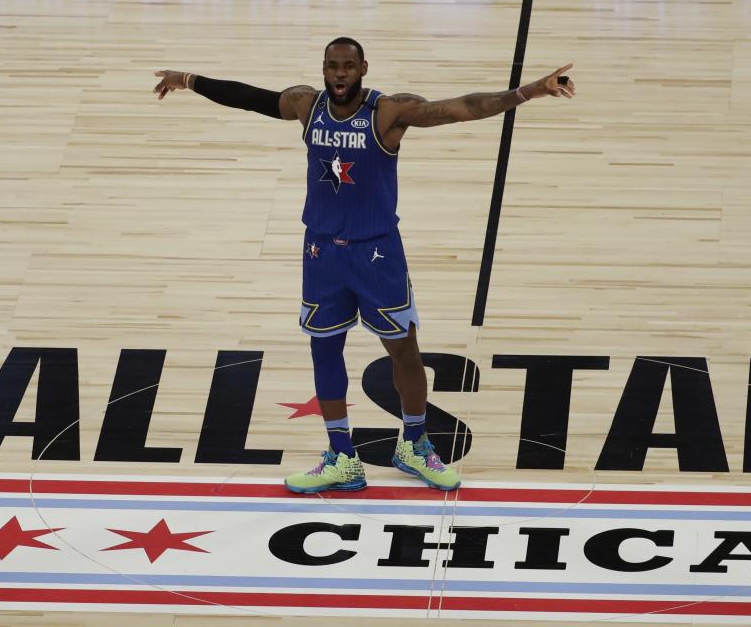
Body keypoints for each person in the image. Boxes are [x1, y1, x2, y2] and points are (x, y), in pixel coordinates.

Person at [152, 37, 575, 494]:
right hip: (321, 252)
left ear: (363, 68)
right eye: (332, 66)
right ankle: (341, 457)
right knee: (324, 350)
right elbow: (249, 98)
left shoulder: (388, 112)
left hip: (376, 251)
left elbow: (461, 108)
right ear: (323, 68)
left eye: (348, 67)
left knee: (405, 350)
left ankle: (414, 443)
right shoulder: (304, 104)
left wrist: (528, 91)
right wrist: (189, 81)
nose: (339, 75)